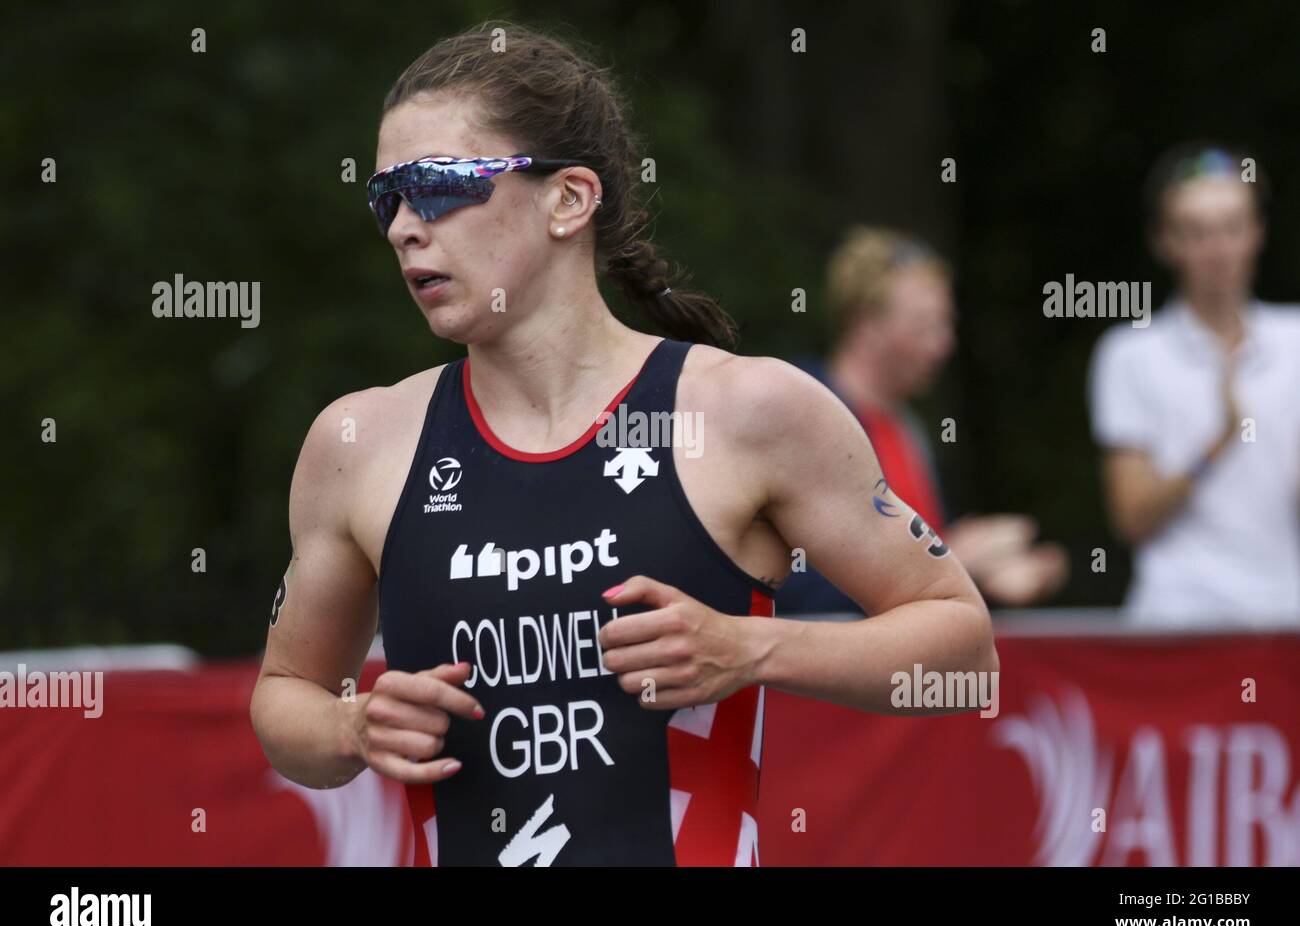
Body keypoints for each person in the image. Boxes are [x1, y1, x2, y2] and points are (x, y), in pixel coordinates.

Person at [248, 21, 997, 867]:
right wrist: (352, 722)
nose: (404, 228)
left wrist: (750, 648)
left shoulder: (746, 410)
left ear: (569, 198)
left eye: (439, 186)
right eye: (387, 196)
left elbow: (965, 652)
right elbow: (285, 701)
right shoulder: (359, 441)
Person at [779, 225, 1068, 614]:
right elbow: (794, 582)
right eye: (924, 325)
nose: (944, 343)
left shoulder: (905, 426)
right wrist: (952, 558)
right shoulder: (805, 409)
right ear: (867, 324)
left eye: (946, 324)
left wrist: (983, 572)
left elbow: (905, 566)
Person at [1088, 144, 1300, 627]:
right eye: (1197, 232)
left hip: (1285, 616)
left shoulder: (1296, 340)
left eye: (1232, 227)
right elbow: (1132, 519)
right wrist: (1218, 443)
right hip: (1178, 622)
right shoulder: (1130, 354)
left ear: (1258, 232)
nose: (1219, 249)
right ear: (1165, 241)